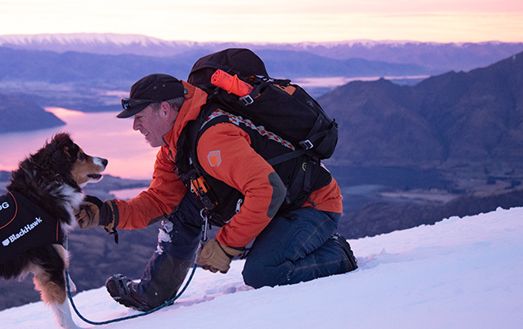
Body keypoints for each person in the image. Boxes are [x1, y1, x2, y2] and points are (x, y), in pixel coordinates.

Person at [76, 73, 357, 311]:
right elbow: (159, 201)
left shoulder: (212, 140)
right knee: (184, 209)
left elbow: (268, 190)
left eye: (139, 116)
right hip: (276, 209)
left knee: (263, 272)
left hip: (312, 206)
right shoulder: (174, 148)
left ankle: (338, 254)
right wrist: (105, 213)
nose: (135, 125)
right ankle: (154, 294)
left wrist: (225, 245)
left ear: (164, 109)